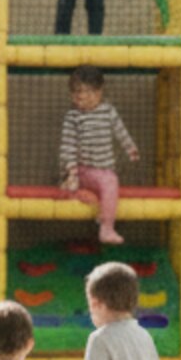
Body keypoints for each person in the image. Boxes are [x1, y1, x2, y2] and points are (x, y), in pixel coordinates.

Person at [59, 65, 139, 246]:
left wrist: (130, 148)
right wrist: (71, 169)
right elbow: (68, 144)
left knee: (107, 182)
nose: (80, 96)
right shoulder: (73, 116)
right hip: (82, 169)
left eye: (87, 92)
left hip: (103, 169)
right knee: (109, 182)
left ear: (99, 92)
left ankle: (87, 201)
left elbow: (120, 131)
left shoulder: (108, 111)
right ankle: (106, 228)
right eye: (76, 92)